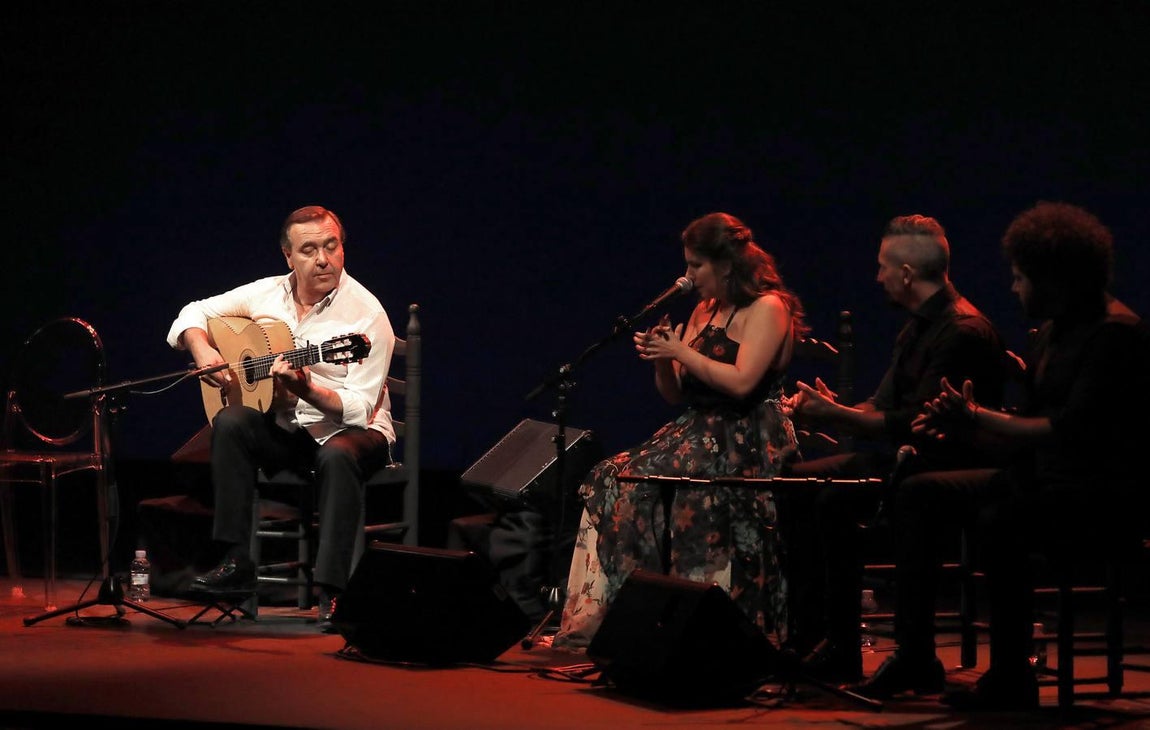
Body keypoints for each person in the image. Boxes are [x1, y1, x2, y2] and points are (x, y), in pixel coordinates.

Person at [877, 201, 1150, 710]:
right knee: (920, 491)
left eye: (1021, 278)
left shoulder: (1114, 334)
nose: (1013, 288)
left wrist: (973, 415)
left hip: (1098, 493)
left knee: (1000, 521)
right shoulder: (1055, 330)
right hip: (1047, 479)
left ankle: (1010, 676)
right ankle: (916, 654)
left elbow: (1065, 431)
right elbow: (1037, 409)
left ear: (1056, 279)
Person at [551, 211, 809, 651]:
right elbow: (675, 395)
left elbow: (743, 382)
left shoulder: (768, 307)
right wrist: (663, 360)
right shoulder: (704, 310)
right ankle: (624, 620)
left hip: (744, 436)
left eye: (696, 266)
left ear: (725, 264)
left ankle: (701, 630)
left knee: (683, 489)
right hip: (695, 430)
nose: (687, 275)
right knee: (612, 477)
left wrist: (681, 353)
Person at [782, 214, 1014, 685]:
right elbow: (883, 405)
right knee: (796, 481)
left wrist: (837, 416)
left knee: (834, 495)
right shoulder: (917, 328)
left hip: (945, 464)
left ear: (906, 273)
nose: (878, 276)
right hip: (907, 457)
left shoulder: (961, 330)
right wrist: (832, 407)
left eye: (883, 266)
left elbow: (917, 425)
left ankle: (906, 653)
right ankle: (821, 639)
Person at [166, 205, 395, 629]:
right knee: (232, 421)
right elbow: (191, 312)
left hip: (352, 434)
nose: (323, 259)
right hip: (290, 431)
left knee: (337, 456)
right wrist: (203, 349)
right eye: (309, 249)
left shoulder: (367, 315)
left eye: (332, 246)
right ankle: (237, 562)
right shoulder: (266, 293)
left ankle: (335, 592)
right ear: (288, 256)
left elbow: (361, 411)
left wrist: (307, 388)